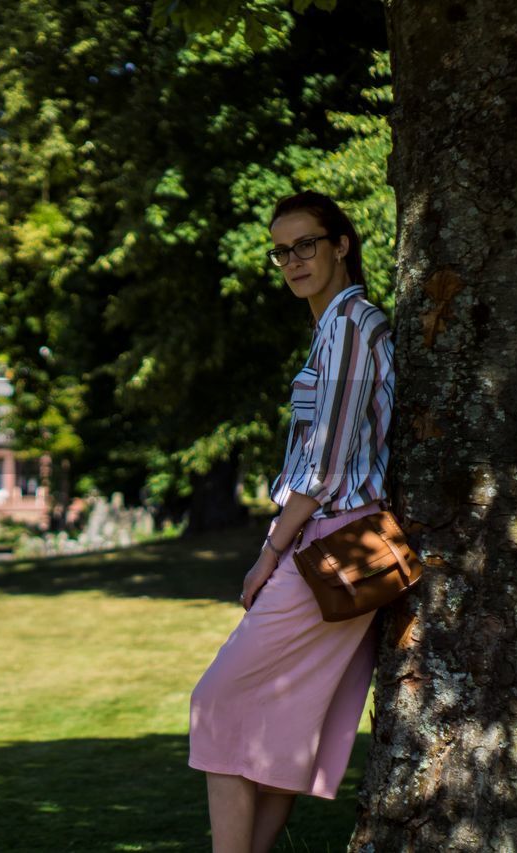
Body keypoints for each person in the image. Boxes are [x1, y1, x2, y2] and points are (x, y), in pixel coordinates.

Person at [187, 190, 396, 852]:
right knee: (278, 724)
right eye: (281, 250)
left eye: (306, 243)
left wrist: (268, 552)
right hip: (341, 540)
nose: (292, 260)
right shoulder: (333, 329)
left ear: (341, 244)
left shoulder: (353, 327)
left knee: (215, 700)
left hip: (341, 542)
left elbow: (327, 462)